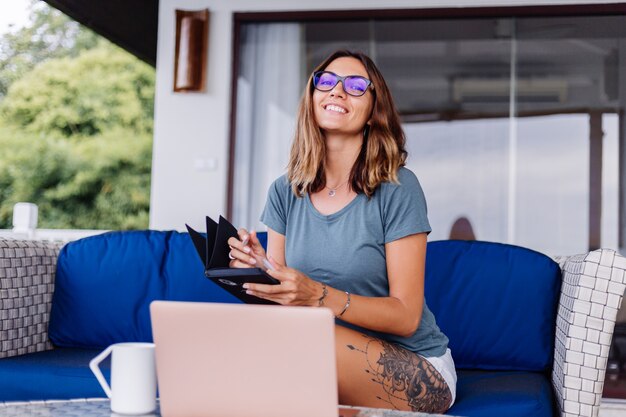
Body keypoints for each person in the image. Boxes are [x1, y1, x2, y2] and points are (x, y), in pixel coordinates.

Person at [227, 50, 456, 414]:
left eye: (354, 86)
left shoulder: (397, 188)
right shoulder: (285, 191)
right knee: (271, 348)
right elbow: (283, 302)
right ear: (312, 97)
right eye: (327, 81)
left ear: (372, 111)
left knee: (298, 349)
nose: (337, 91)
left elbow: (406, 316)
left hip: (417, 368)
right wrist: (257, 273)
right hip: (316, 351)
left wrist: (317, 295)